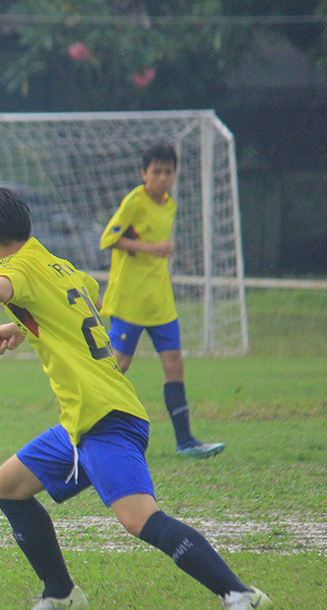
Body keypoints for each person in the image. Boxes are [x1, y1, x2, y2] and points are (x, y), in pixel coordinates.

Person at [0, 185, 271, 610]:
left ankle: (239, 594)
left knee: (138, 518)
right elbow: (85, 298)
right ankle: (61, 595)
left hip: (106, 417)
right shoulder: (55, 263)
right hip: (82, 421)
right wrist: (24, 323)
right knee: (8, 485)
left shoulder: (14, 268)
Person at [99, 143, 224, 459]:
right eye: (156, 172)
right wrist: (151, 248)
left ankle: (186, 441)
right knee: (119, 365)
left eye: (168, 172)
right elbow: (108, 238)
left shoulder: (170, 205)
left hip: (160, 300)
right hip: (130, 299)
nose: (163, 178)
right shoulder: (135, 201)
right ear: (144, 173)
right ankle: (84, 428)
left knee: (174, 364)